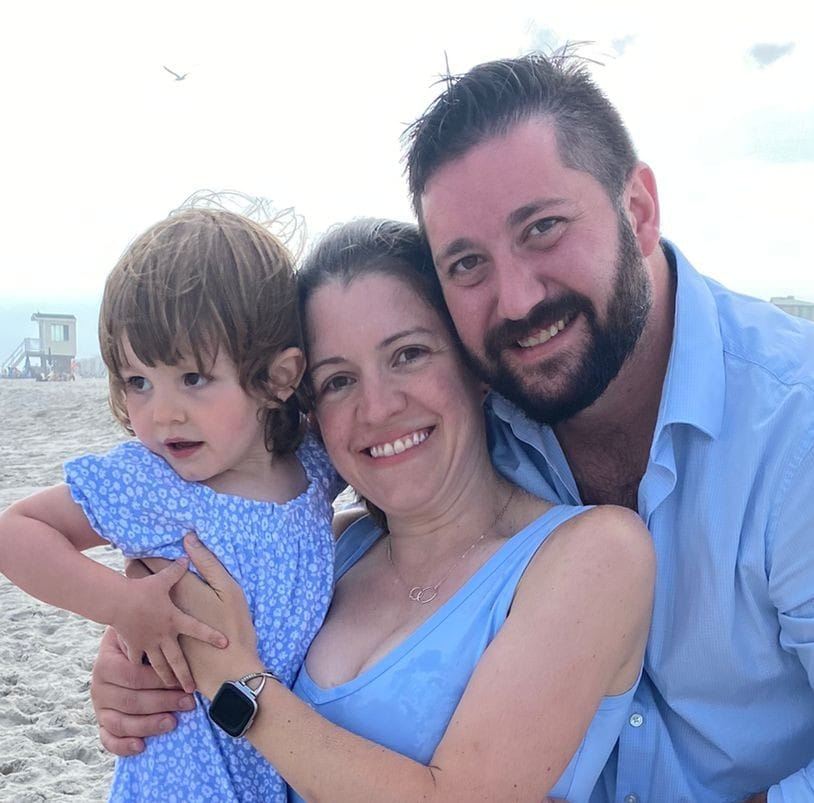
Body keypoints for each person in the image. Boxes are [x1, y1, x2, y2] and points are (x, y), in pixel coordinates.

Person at [93, 53, 814, 802]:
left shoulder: (791, 434)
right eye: (468, 263)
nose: (515, 297)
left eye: (543, 227)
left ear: (637, 211)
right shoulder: (355, 531)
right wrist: (137, 664)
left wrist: (234, 687)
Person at [95, 217, 654, 802]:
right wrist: (132, 679)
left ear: (476, 369)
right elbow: (164, 624)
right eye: (337, 381)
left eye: (408, 354)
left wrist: (233, 683)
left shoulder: (592, 556)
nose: (378, 407)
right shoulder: (320, 554)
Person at [0, 209, 339, 802]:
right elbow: (18, 532)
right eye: (137, 382)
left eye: (193, 377)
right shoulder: (155, 483)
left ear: (278, 378)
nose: (161, 414)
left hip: (283, 758)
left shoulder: (314, 464)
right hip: (182, 773)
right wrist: (124, 605)